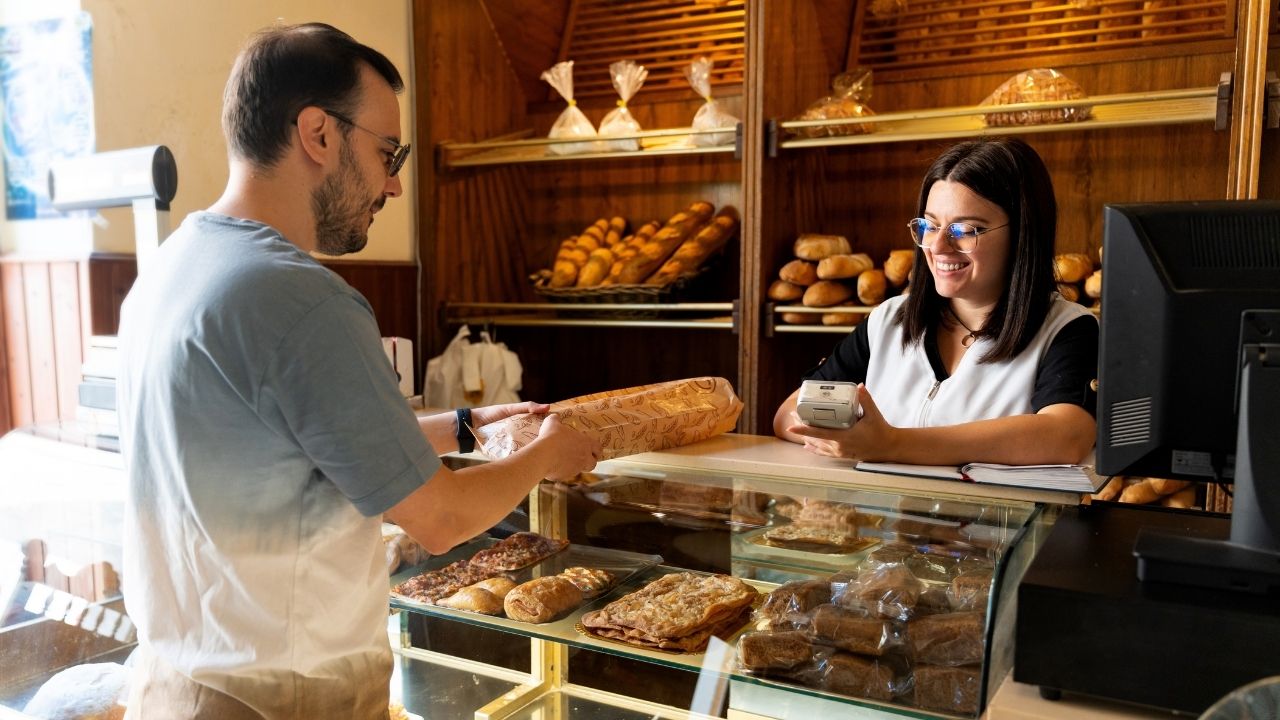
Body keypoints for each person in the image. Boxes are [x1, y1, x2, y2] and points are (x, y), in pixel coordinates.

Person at [115, 23, 600, 720]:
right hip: (279, 700)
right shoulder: (303, 299)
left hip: (175, 684)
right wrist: (548, 455)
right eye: (387, 153)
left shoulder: (177, 265)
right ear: (318, 133)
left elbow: (285, 441)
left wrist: (461, 428)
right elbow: (439, 518)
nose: (395, 184)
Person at [774, 138, 1097, 467]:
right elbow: (789, 413)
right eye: (929, 225)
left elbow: (1066, 436)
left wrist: (891, 444)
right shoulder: (889, 322)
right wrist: (848, 441)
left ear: (1023, 232)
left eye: (966, 228)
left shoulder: (1069, 329)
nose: (939, 246)